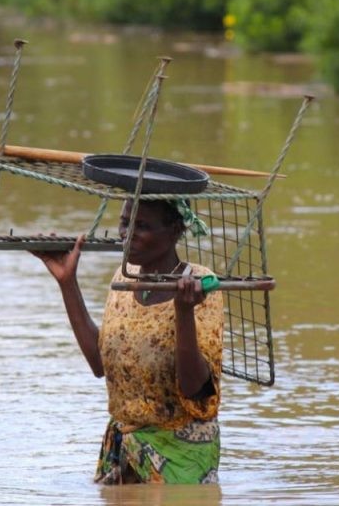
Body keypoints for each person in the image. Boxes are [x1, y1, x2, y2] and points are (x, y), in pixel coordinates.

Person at [32, 199, 224, 485]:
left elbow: (194, 387)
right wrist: (67, 282)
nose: (127, 233)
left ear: (173, 231)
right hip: (124, 448)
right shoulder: (124, 277)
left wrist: (183, 312)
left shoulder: (199, 283)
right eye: (125, 223)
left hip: (179, 457)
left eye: (142, 226)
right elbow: (101, 365)